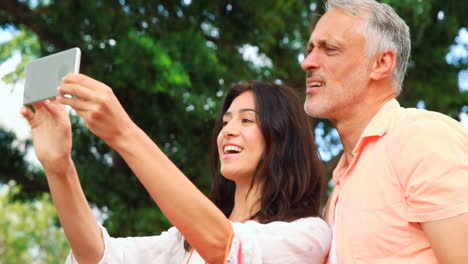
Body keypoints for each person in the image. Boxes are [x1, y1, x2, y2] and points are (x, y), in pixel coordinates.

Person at [21, 79, 331, 263]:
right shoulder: (183, 243)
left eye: (246, 120)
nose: (228, 132)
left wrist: (123, 132)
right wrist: (58, 166)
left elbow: (224, 248)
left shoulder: (307, 235)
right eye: (225, 122)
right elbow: (100, 256)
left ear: (282, 139)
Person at [301, 0, 468, 263]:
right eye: (310, 49)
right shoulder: (339, 188)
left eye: (330, 49)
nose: (308, 62)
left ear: (381, 63)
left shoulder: (419, 137)